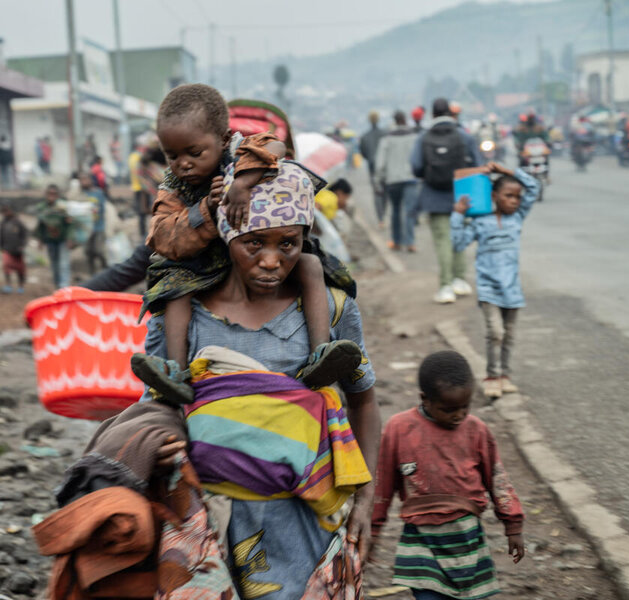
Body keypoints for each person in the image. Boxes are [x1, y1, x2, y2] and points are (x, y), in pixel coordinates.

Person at [140, 167, 382, 597]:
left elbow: (363, 402)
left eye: (288, 244)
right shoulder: (185, 316)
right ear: (227, 237)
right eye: (254, 243)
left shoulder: (331, 309)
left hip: (307, 519)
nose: (271, 261)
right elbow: (156, 407)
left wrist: (366, 500)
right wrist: (161, 446)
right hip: (208, 518)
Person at [131, 83, 361, 405]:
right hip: (200, 263)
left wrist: (242, 181)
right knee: (174, 288)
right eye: (173, 156)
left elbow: (276, 147)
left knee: (310, 263)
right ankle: (176, 371)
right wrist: (204, 211)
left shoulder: (241, 150)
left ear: (223, 139)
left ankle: (320, 352)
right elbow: (162, 237)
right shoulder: (173, 187)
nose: (183, 164)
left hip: (255, 245)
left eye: (194, 153)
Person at [372, 350, 525, 599]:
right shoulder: (399, 429)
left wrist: (513, 525)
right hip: (421, 538)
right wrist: (372, 530)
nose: (459, 415)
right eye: (449, 409)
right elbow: (382, 485)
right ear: (425, 399)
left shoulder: (477, 431)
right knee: (427, 595)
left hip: (466, 535)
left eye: (465, 407)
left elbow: (497, 480)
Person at [450, 162, 539, 398]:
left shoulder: (517, 218)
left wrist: (508, 171)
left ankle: (505, 376)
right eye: (508, 196)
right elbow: (459, 244)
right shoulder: (480, 222)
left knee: (509, 336)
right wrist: (457, 216)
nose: (514, 201)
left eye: (517, 197)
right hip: (489, 288)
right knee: (495, 333)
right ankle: (491, 376)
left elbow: (534, 186)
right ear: (494, 196)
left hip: (513, 289)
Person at [410, 98, 481, 304]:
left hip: (433, 195)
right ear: (451, 113)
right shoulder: (464, 136)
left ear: (432, 114)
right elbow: (477, 165)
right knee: (459, 237)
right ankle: (460, 279)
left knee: (443, 241)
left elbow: (416, 166)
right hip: (461, 196)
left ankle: (445, 286)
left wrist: (431, 174)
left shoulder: (424, 137)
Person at [375, 110, 419, 252]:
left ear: (394, 121)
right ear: (405, 120)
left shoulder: (386, 139)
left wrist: (379, 179)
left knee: (395, 211)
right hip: (410, 178)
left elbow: (380, 164)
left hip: (393, 180)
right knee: (409, 211)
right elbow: (418, 159)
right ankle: (410, 242)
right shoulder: (414, 137)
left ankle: (396, 241)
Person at [34, 184, 72, 289]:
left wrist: (70, 238)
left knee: (64, 263)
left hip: (63, 239)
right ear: (46, 194)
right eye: (50, 194)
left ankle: (64, 286)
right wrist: (40, 240)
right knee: (54, 264)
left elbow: (70, 223)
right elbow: (40, 225)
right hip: (50, 239)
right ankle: (57, 285)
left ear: (58, 195)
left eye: (54, 194)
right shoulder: (42, 207)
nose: (52, 196)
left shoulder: (62, 207)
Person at [359, 110, 388, 225]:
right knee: (385, 192)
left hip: (372, 168)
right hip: (385, 168)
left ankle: (380, 218)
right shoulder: (385, 134)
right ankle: (383, 213)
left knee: (377, 192)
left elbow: (363, 153)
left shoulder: (365, 136)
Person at [0, 205, 27, 294]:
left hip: (17, 250)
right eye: (4, 211)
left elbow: (25, 234)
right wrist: (0, 246)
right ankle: (8, 285)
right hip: (7, 249)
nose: (6, 213)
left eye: (7, 210)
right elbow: (0, 235)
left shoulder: (18, 222)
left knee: (20, 269)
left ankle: (21, 286)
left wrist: (22, 245)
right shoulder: (3, 223)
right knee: (6, 266)